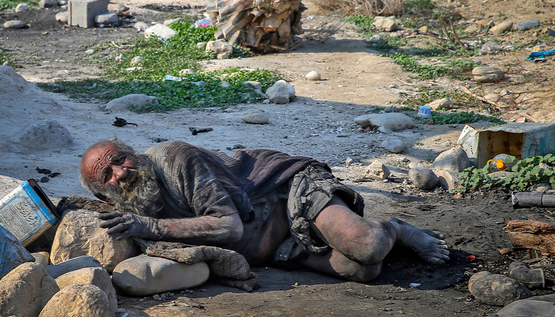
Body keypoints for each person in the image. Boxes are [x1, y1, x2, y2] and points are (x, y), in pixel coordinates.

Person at [79, 139, 449, 282]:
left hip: (284, 191)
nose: (121, 172)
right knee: (365, 270)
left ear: (134, 153)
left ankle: (396, 229)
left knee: (366, 244)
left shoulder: (176, 160)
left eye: (121, 160)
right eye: (108, 174)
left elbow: (228, 228)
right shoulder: (124, 206)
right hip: (275, 247)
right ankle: (341, 244)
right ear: (103, 193)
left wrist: (149, 227)